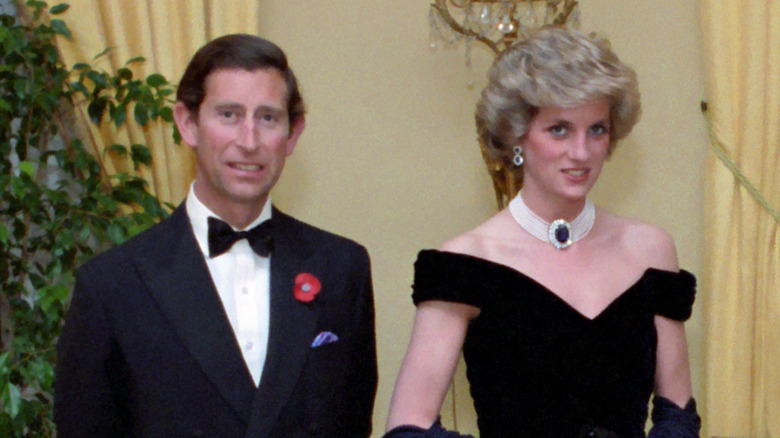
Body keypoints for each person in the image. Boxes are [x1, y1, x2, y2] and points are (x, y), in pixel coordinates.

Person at [55, 34, 377, 437]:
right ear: (188, 123)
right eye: (228, 115)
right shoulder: (111, 286)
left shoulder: (342, 268)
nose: (249, 141)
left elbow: (352, 423)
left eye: (268, 117)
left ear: (292, 134)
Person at [384, 26, 700, 437]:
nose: (582, 152)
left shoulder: (650, 250)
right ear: (517, 135)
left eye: (597, 130)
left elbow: (677, 414)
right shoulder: (467, 261)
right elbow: (409, 427)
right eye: (559, 129)